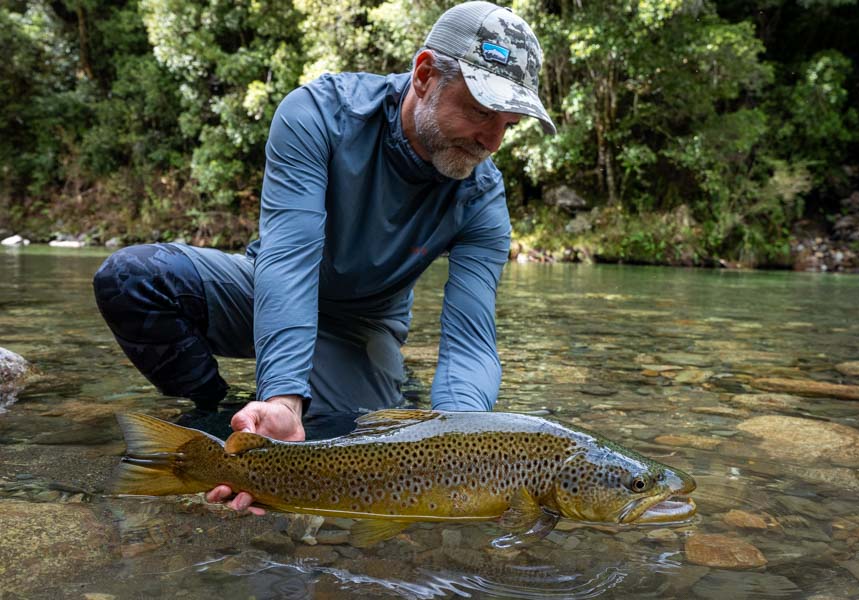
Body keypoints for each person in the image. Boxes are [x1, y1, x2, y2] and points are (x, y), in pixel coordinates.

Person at [93, 1, 556, 514]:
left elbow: (470, 339)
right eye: (479, 111)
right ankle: (216, 412)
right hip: (265, 293)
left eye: (508, 124)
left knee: (352, 443)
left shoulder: (482, 196)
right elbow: (288, 260)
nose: (491, 140)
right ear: (424, 75)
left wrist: (461, 439)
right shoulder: (319, 114)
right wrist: (283, 401)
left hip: (362, 331)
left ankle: (235, 436)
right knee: (133, 279)